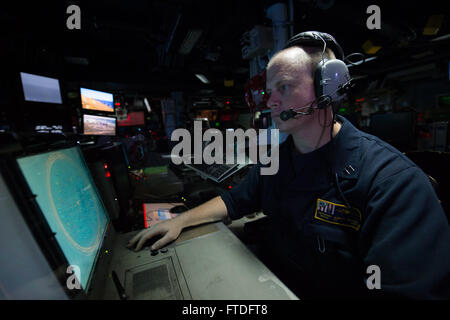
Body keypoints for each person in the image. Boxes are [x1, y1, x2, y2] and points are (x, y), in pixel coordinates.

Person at [127, 32, 450, 299]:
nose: (271, 102)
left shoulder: (394, 183)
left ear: (328, 90)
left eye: (283, 87)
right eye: (270, 92)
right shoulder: (278, 160)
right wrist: (181, 221)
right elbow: (235, 199)